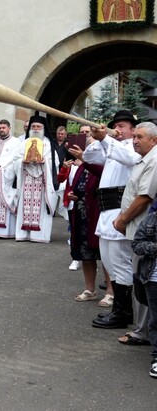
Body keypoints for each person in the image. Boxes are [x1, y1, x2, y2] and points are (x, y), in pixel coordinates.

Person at [96, 122, 157, 341]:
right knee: (139, 279)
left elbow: (144, 197)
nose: (135, 140)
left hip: (142, 228)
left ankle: (140, 329)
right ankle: (142, 329)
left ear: (154, 140)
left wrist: (123, 219)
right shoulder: (143, 157)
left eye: (140, 137)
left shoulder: (152, 159)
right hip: (134, 226)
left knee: (144, 280)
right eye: (136, 137)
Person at [82, 110, 142, 330]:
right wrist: (100, 139)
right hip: (105, 210)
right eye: (115, 125)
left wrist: (107, 138)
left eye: (122, 126)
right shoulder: (111, 146)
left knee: (120, 263)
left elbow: (127, 158)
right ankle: (118, 308)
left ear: (133, 130)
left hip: (120, 211)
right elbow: (89, 157)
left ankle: (123, 312)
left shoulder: (136, 150)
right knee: (108, 261)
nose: (117, 129)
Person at [62, 142, 114, 307]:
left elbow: (99, 175)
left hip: (97, 214)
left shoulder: (104, 165)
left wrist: (84, 159)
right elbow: (78, 186)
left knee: (104, 254)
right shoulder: (82, 166)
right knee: (86, 254)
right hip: (82, 214)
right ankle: (89, 289)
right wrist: (73, 194)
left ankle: (111, 292)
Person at [14, 116, 60, 243]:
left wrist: (44, 161)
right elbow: (15, 160)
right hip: (27, 179)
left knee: (40, 209)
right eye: (33, 126)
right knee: (25, 205)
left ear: (43, 129)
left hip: (42, 181)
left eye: (38, 127)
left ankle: (39, 236)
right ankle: (23, 234)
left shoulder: (49, 144)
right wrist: (22, 161)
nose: (35, 129)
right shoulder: (24, 143)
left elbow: (54, 162)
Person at [130, 200, 157, 378]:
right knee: (155, 320)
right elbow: (136, 244)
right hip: (153, 278)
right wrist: (154, 247)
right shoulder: (151, 220)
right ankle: (156, 358)